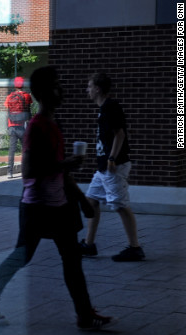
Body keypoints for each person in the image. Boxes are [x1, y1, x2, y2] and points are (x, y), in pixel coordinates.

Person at [0, 66, 115, 330]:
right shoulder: (37, 127)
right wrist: (65, 165)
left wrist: (81, 199)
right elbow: (28, 171)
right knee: (23, 256)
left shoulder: (54, 124)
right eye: (55, 85)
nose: (60, 89)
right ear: (41, 93)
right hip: (37, 207)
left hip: (60, 205)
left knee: (73, 261)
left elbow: (60, 169)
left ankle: (85, 315)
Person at [79, 73, 144, 262]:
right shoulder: (103, 109)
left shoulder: (110, 107)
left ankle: (135, 247)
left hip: (113, 166)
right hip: (103, 168)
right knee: (91, 200)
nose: (87, 90)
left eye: (90, 86)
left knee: (121, 206)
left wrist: (112, 158)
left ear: (98, 89)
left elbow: (120, 134)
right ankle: (89, 245)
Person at [4, 77, 33, 178]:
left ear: (15, 85)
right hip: (22, 127)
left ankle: (10, 172)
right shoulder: (27, 96)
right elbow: (29, 112)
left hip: (12, 126)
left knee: (12, 150)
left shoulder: (9, 97)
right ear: (23, 85)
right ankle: (26, 170)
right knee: (25, 149)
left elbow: (7, 111)